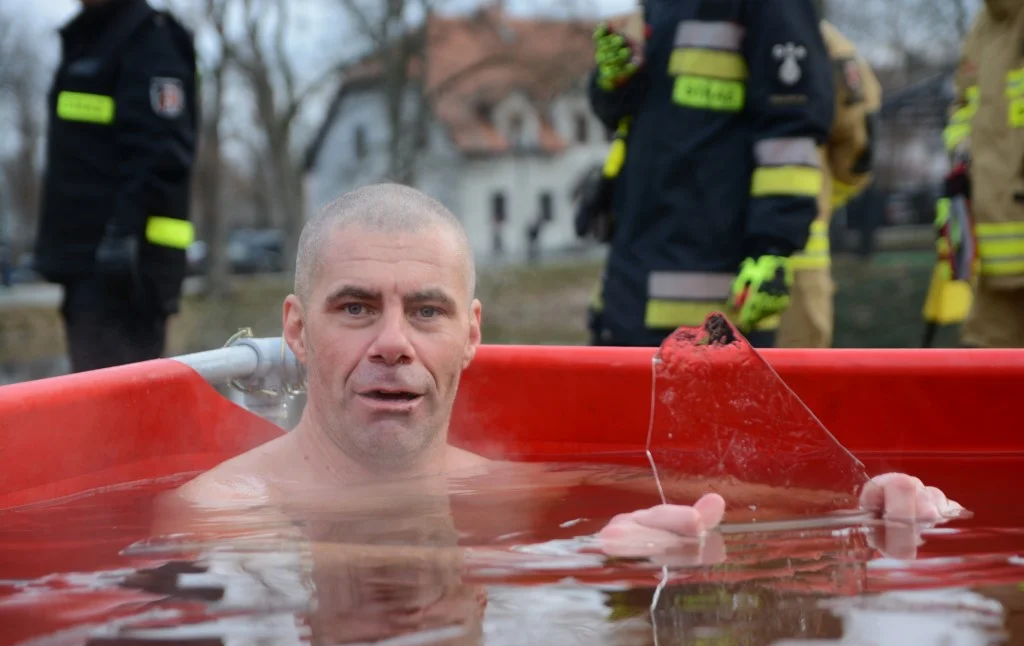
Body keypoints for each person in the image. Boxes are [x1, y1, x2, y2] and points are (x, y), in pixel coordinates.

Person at [165, 183, 962, 551]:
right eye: (356, 307)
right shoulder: (223, 510)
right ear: (297, 331)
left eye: (428, 310)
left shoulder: (507, 485)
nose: (395, 342)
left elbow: (720, 502)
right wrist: (578, 556)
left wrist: (863, 504)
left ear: (472, 333)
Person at [584, 0, 835, 348]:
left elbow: (790, 131)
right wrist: (612, 84)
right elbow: (638, 120)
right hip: (627, 291)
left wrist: (773, 243)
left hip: (714, 314)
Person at [33, 0, 198, 372]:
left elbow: (162, 153)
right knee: (98, 412)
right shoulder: (88, 37)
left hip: (126, 275)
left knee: (120, 416)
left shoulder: (149, 38)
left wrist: (122, 234)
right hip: (85, 269)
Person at [776, 20, 881, 349]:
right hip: (798, 255)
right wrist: (820, 204)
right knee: (794, 385)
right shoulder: (822, 40)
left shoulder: (688, 22)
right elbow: (856, 152)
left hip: (695, 253)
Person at [942, 0, 1024, 348]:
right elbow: (963, 106)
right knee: (988, 377)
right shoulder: (984, 25)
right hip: (992, 253)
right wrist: (962, 156)